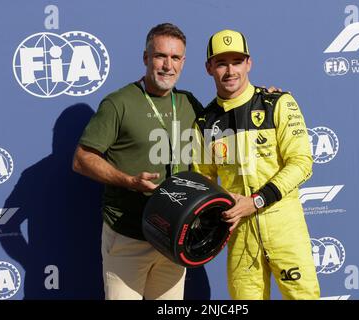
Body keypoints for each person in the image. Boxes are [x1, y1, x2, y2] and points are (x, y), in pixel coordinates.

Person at [72, 23, 203, 300]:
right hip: (128, 234)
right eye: (160, 56)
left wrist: (262, 95)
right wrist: (129, 181)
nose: (168, 65)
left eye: (175, 58)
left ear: (183, 62)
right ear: (146, 58)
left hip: (174, 237)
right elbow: (82, 160)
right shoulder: (119, 102)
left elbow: (226, 122)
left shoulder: (189, 102)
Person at [192, 29, 320, 300]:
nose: (230, 71)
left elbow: (301, 163)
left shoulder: (278, 103)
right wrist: (224, 201)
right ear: (209, 68)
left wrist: (257, 201)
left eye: (236, 62)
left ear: (248, 63)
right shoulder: (204, 123)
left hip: (285, 229)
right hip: (239, 234)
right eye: (221, 63)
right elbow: (201, 181)